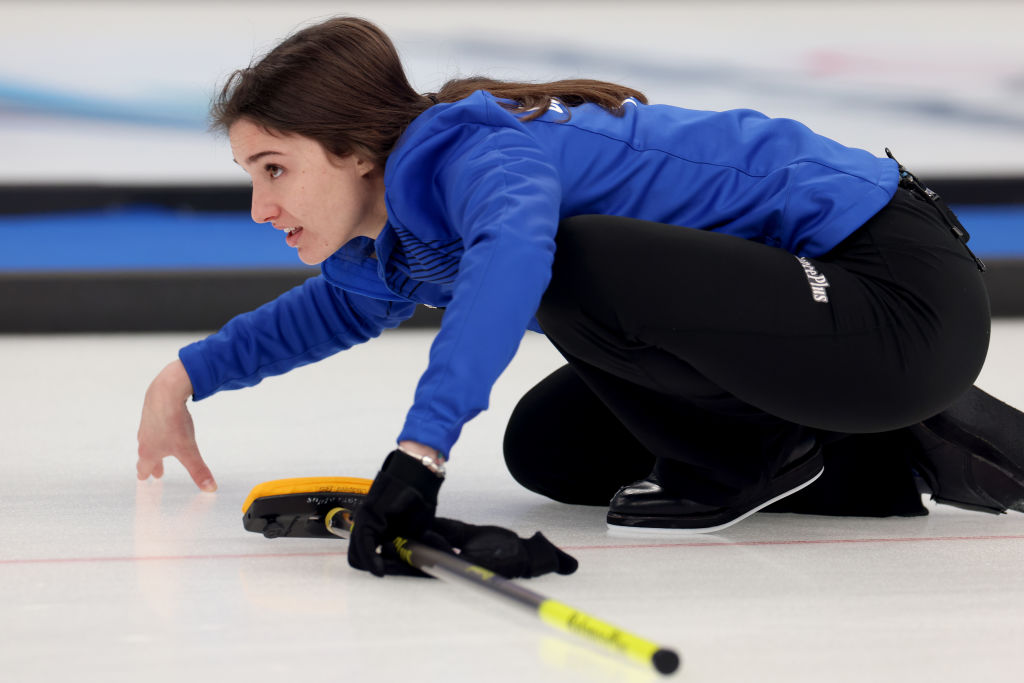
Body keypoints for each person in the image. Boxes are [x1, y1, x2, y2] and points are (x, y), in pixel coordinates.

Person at [136, 16, 1024, 577]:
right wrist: (185, 375)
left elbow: (511, 264)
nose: (262, 208)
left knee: (568, 257)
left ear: (356, 152)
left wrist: (420, 455)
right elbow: (335, 306)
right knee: (550, 451)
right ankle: (898, 450)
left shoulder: (482, 157)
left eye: (275, 171)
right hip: (826, 335)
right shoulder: (398, 232)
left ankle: (768, 450)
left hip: (895, 292)